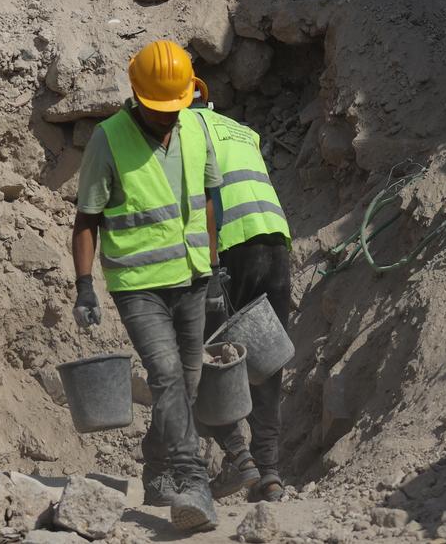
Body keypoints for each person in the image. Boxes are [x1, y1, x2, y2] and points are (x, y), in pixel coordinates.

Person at [71, 41, 227, 533]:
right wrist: (83, 286)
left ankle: (156, 466)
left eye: (175, 109)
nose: (168, 118)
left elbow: (206, 201)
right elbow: (86, 219)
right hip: (138, 285)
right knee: (164, 375)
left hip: (193, 277)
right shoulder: (108, 138)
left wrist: (216, 265)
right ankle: (190, 479)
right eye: (160, 110)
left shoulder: (196, 127)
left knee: (190, 379)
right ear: (136, 96)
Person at [190, 77, 292, 503]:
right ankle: (269, 470)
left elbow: (199, 203)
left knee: (212, 357)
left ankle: (239, 460)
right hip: (275, 239)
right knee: (265, 361)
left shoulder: (182, 131)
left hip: (229, 248)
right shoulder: (241, 130)